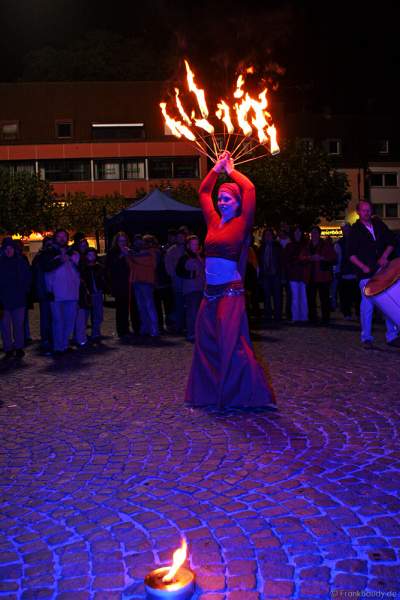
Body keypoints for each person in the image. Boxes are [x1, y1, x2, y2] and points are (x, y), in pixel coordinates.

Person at [185, 151, 275, 408]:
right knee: (206, 343)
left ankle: (248, 394)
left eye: (226, 199)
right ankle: (211, 393)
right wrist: (215, 169)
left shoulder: (242, 223)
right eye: (220, 199)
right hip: (209, 293)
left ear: (237, 203)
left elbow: (249, 188)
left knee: (230, 342)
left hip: (230, 292)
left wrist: (231, 169)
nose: (221, 202)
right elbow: (203, 192)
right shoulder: (213, 221)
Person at [348, 200, 399, 348]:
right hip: (366, 275)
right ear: (358, 212)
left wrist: (384, 256)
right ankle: (366, 338)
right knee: (367, 306)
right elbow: (350, 254)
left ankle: (392, 336)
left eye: (369, 210)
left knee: (388, 304)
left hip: (383, 271)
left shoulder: (378, 224)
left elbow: (392, 241)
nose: (367, 213)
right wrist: (363, 266)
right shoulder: (355, 230)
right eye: (364, 210)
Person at [43, 229, 81, 355]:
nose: (61, 238)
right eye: (59, 236)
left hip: (72, 292)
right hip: (56, 293)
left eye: (64, 236)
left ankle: (64, 344)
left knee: (69, 320)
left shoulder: (73, 252)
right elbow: (46, 269)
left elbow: (79, 270)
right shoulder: (49, 252)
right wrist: (60, 259)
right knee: (58, 321)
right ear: (55, 238)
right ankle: (58, 347)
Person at [0, 237, 32, 360]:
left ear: (14, 249)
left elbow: (27, 278)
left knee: (18, 326)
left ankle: (19, 347)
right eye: (6, 248)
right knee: (5, 327)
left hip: (18, 300)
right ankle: (8, 348)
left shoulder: (20, 262)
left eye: (10, 248)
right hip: (3, 301)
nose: (8, 251)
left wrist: (24, 291)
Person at [302, 226, 337, 325]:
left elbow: (333, 257)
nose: (313, 235)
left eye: (315, 232)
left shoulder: (325, 245)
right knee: (311, 299)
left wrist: (321, 258)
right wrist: (309, 258)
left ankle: (325, 318)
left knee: (324, 299)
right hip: (310, 276)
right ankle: (313, 317)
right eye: (312, 232)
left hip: (322, 276)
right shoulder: (307, 245)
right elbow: (301, 257)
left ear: (319, 234)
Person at [127, 235, 159, 340]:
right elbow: (132, 265)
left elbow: (144, 262)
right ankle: (145, 328)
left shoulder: (150, 252)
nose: (138, 244)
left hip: (146, 281)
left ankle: (154, 329)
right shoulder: (136, 254)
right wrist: (130, 256)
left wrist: (130, 255)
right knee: (142, 307)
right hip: (137, 281)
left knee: (149, 306)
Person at [106, 232, 137, 339]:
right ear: (116, 241)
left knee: (131, 306)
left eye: (124, 241)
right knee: (121, 308)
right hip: (119, 284)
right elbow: (111, 267)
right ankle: (122, 331)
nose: (122, 243)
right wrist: (121, 256)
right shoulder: (112, 252)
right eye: (120, 241)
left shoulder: (129, 250)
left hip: (130, 282)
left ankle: (130, 328)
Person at [176, 235, 205, 342]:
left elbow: (204, 270)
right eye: (193, 244)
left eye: (197, 244)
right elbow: (179, 271)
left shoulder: (200, 256)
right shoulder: (184, 257)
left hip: (201, 288)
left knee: (199, 312)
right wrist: (191, 275)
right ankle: (191, 333)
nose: (195, 246)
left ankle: (198, 333)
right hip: (190, 289)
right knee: (192, 312)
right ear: (188, 245)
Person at [32, 236, 54, 354]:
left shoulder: (54, 256)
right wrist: (41, 292)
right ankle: (46, 341)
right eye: (48, 244)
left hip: (55, 293)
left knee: (54, 318)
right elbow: (37, 277)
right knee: (45, 318)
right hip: (44, 292)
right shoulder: (39, 258)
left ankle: (54, 340)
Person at [79, 247, 106, 342]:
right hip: (86, 294)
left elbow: (103, 279)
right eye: (89, 254)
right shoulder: (83, 268)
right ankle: (82, 334)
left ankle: (96, 333)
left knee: (98, 314)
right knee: (85, 315)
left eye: (93, 254)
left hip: (97, 293)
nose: (91, 256)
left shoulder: (99, 267)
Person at [284, 226, 310, 323]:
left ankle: (303, 317)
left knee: (303, 296)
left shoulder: (305, 245)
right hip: (294, 275)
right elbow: (286, 261)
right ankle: (295, 317)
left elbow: (307, 259)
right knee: (295, 296)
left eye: (299, 232)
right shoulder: (289, 246)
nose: (298, 234)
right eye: (296, 232)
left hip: (302, 274)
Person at [258, 228, 283, 323]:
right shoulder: (262, 248)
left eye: (269, 235)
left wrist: (281, 274)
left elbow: (281, 261)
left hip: (275, 275)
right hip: (265, 275)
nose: (268, 237)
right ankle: (268, 315)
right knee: (266, 296)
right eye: (266, 235)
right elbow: (260, 263)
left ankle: (277, 316)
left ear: (272, 236)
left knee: (277, 296)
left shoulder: (277, 247)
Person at [337, 223, 360, 320]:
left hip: (355, 272)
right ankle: (347, 313)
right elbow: (339, 258)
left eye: (347, 229)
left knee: (357, 296)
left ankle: (358, 313)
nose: (346, 231)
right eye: (344, 230)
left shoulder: (357, 241)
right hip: (344, 273)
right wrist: (338, 271)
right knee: (345, 296)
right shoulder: (339, 243)